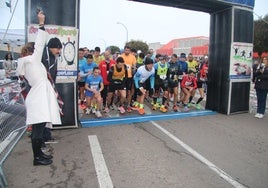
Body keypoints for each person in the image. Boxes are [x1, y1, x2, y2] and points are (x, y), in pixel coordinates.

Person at [16, 11, 61, 166]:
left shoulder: (27, 62)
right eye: (35, 50)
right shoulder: (32, 60)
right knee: (37, 130)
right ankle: (37, 158)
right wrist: (41, 23)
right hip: (38, 97)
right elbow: (41, 42)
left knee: (39, 128)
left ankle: (39, 155)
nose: (39, 52)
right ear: (31, 51)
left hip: (38, 96)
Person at [41, 28, 63, 146]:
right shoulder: (43, 55)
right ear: (52, 47)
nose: (59, 51)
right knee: (43, 115)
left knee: (49, 113)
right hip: (42, 89)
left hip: (50, 88)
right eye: (58, 48)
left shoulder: (53, 57)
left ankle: (47, 136)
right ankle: (42, 140)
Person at [121, 45, 137, 112]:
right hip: (122, 76)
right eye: (126, 50)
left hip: (130, 77)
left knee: (129, 92)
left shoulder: (133, 57)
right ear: (124, 50)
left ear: (130, 51)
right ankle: (121, 105)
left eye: (128, 50)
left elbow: (134, 65)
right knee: (122, 92)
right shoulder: (121, 56)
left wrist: (134, 68)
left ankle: (128, 105)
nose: (127, 51)